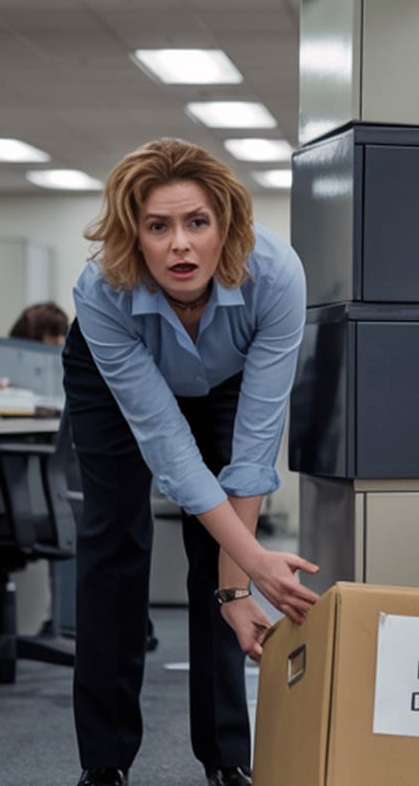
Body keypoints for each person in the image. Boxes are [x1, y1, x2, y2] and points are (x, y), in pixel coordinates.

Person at [62, 138, 318, 786]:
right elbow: (168, 450)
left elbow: (254, 453)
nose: (180, 244)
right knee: (114, 538)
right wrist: (258, 563)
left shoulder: (276, 277)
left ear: (224, 226)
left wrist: (240, 582)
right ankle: (104, 759)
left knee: (218, 558)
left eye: (196, 222)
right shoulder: (102, 292)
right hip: (114, 375)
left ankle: (227, 756)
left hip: (227, 375)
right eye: (159, 226)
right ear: (135, 236)